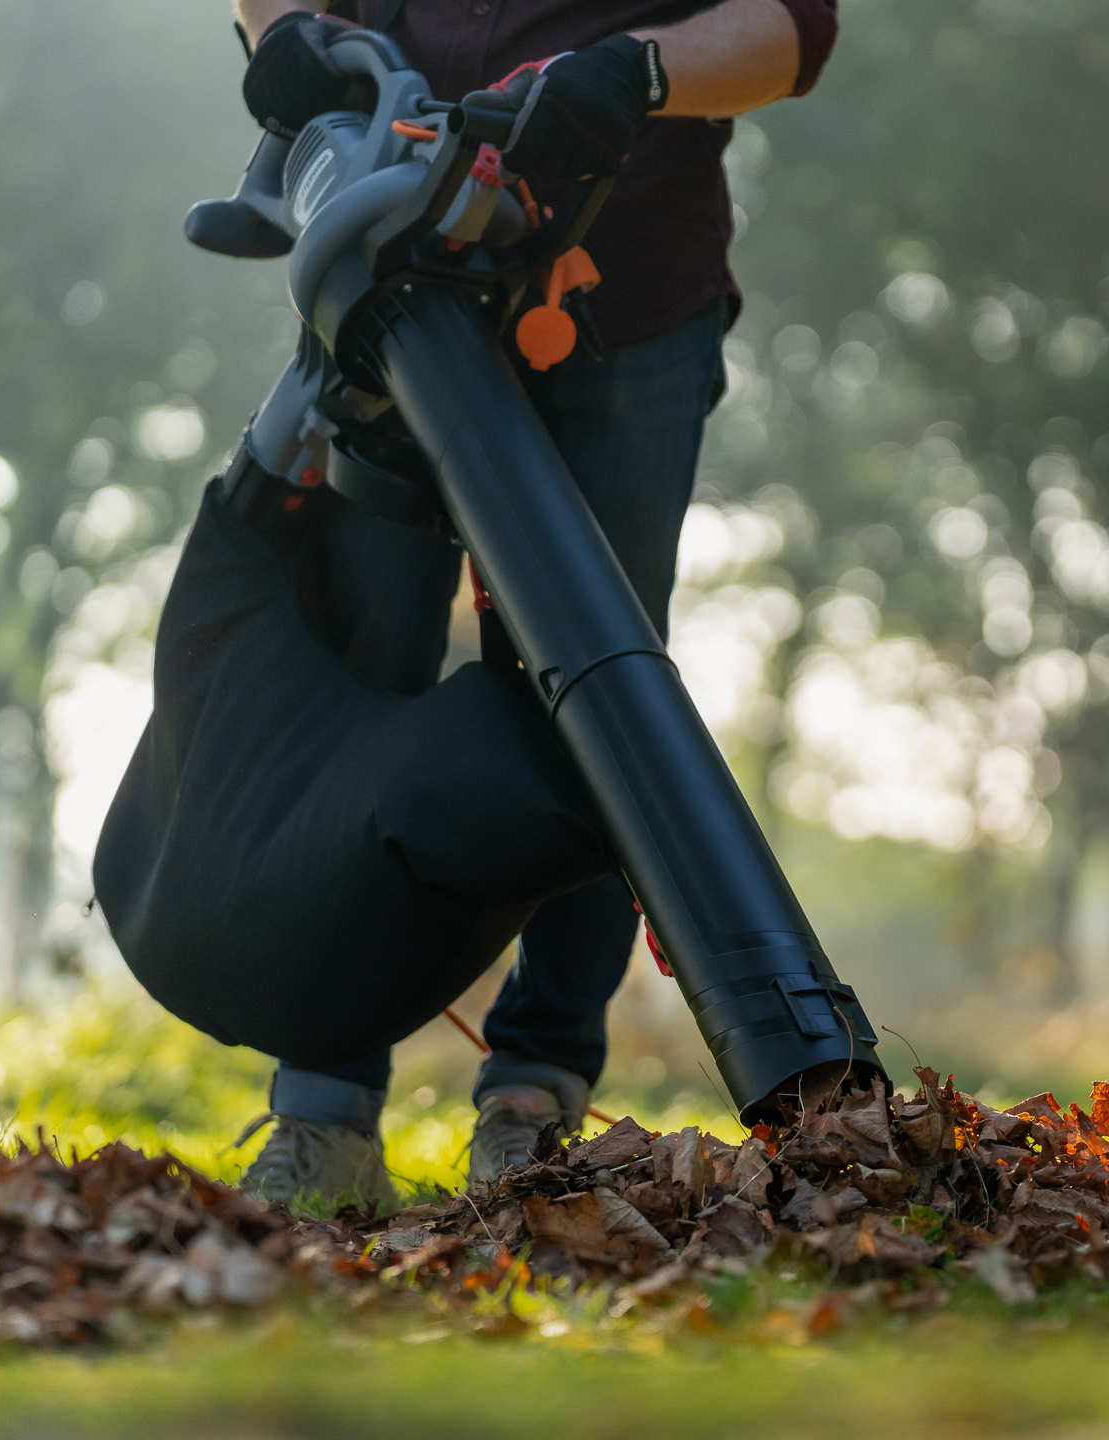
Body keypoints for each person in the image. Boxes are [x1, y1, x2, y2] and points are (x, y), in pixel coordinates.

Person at [216, 0, 838, 1212]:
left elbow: (791, 27)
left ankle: (534, 1098)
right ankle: (325, 1105)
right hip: (391, 252)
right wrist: (285, 27)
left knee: (595, 697)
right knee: (360, 667)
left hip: (625, 296)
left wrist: (640, 70)